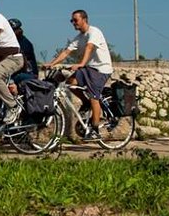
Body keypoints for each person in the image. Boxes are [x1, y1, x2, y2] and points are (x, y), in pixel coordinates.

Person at [44, 10, 113, 140]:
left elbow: (89, 47)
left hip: (101, 69)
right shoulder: (79, 37)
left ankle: (95, 130)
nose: (73, 23)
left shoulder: (94, 32)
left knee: (94, 97)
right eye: (72, 21)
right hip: (89, 68)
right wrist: (52, 64)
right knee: (70, 83)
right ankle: (86, 103)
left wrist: (81, 63)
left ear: (84, 19)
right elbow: (66, 52)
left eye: (75, 20)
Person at [8, 18, 38, 84]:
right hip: (20, 72)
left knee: (8, 79)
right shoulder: (13, 42)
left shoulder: (24, 44)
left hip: (28, 73)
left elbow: (18, 61)